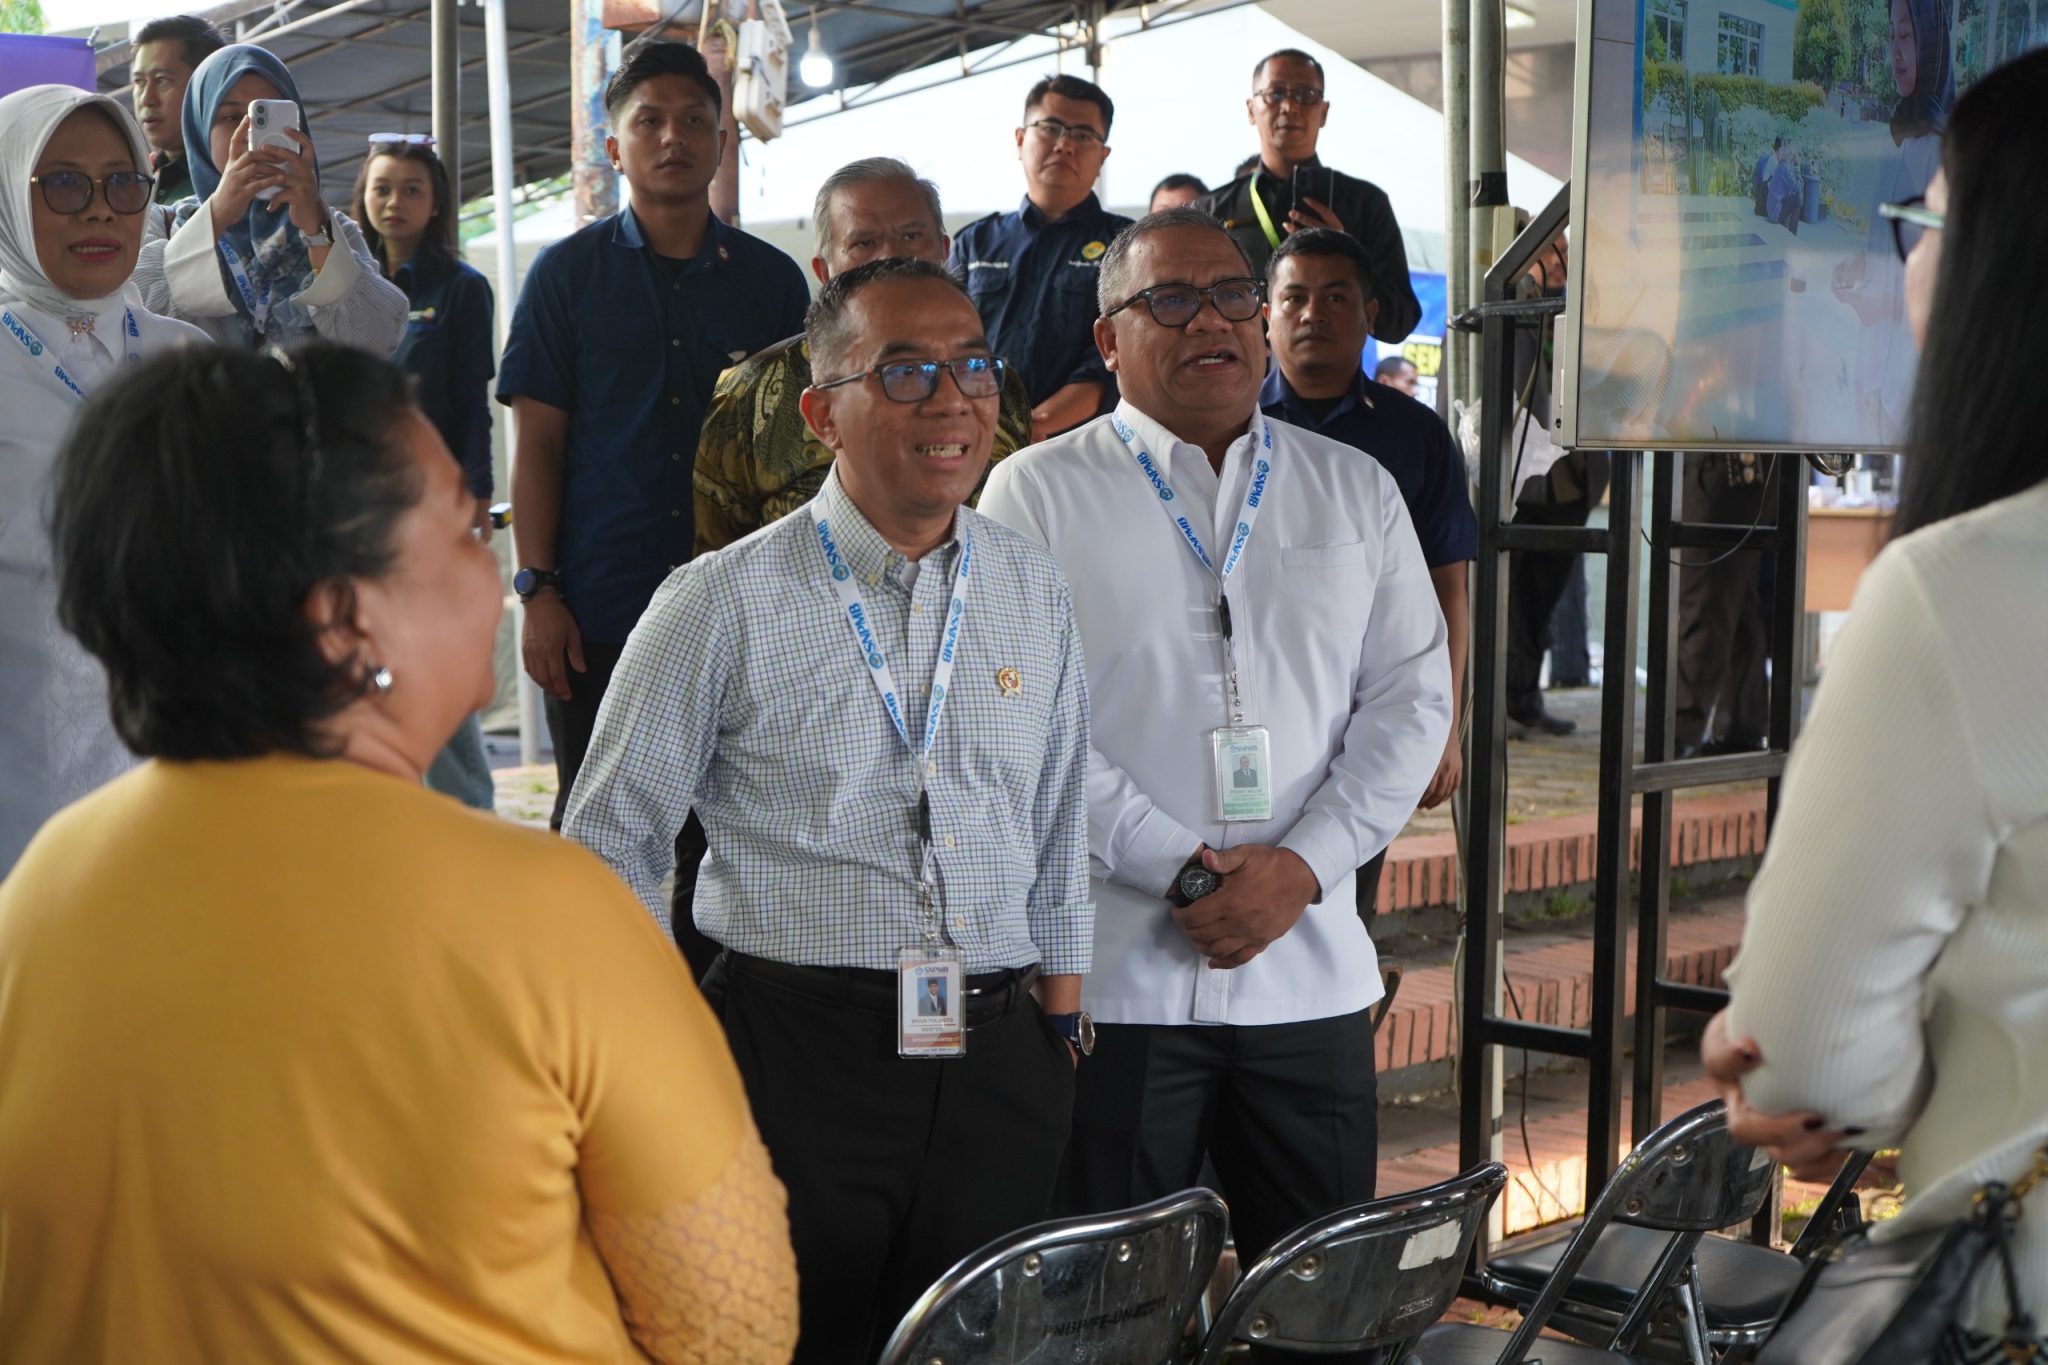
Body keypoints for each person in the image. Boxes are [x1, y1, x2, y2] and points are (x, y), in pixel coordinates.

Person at [0, 340, 798, 1364]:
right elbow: (731, 1329)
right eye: (469, 531)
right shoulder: (545, 912)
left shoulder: (41, 893)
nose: (496, 571)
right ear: (344, 621)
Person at [565, 256, 1091, 1365]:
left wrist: (1058, 1019)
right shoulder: (718, 600)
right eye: (904, 372)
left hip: (999, 1056)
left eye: (971, 365)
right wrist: (676, 1045)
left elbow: (1057, 813)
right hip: (794, 1055)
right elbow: (608, 840)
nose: (950, 400)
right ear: (821, 414)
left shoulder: (1028, 584)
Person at [976, 211, 1450, 1363]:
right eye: (1171, 301)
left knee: (1326, 1307)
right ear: (1107, 337)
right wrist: (1183, 869)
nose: (1214, 323)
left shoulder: (1353, 487)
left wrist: (1301, 867)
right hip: (1123, 978)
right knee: (1113, 1316)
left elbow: (1412, 701)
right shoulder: (1032, 497)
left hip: (1309, 971)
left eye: (1233, 295)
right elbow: (1021, 719)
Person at [1703, 49, 2048, 1362]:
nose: (1911, 260)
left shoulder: (1964, 593)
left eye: (1928, 221)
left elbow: (1805, 1061)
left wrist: (1839, 1079)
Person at [497, 37, 808, 852]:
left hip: (739, 613)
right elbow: (537, 446)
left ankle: (705, 990)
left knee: (730, 841)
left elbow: (795, 464)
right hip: (598, 607)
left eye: (694, 120)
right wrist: (537, 592)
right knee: (599, 830)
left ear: (721, 140)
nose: (673, 138)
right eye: (650, 121)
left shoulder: (774, 284)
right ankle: (588, 987)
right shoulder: (565, 277)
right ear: (614, 147)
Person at [0, 86, 207, 878]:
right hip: (23, 790)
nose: (99, 211)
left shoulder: (189, 362)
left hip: (181, 778)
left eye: (122, 183)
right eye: (62, 183)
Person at [1259, 228, 1474, 922]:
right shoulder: (1228, 425)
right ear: (1266, 311)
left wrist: (1447, 726)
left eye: (1334, 297)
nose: (1311, 313)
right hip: (1252, 711)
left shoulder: (1415, 436)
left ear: (1371, 312)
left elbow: (1451, 590)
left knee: (1345, 906)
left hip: (1372, 714)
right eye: (1293, 297)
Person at [693, 156, 1034, 557]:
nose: (890, 257)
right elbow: (720, 550)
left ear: (944, 250)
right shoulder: (749, 392)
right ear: (824, 269)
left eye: (911, 237)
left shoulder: (992, 384)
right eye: (864, 242)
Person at [351, 135, 499, 812]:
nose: (395, 202)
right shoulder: (341, 282)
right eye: (383, 187)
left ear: (436, 202)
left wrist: (477, 492)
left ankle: (469, 813)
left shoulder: (462, 289)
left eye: (412, 189)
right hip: (350, 510)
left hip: (430, 510)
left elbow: (472, 402)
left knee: (434, 655)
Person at [131, 44, 406, 355]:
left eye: (270, 118)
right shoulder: (161, 225)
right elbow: (134, 325)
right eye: (232, 117)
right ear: (199, 127)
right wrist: (216, 216)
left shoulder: (332, 229)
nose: (250, 137)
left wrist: (317, 231)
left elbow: (378, 340)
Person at [949, 73, 1132, 442]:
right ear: (1020, 139)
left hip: (1082, 448)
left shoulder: (1128, 245)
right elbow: (945, 343)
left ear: (1103, 156)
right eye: (1050, 128)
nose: (1065, 145)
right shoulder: (975, 243)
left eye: (1083, 135)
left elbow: (1113, 357)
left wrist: (1038, 426)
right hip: (973, 438)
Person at [1192, 49, 1421, 342]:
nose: (1289, 105)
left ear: (1323, 112)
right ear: (1251, 109)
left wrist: (1346, 255)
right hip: (1237, 380)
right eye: (1275, 93)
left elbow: (1398, 322)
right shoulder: (1211, 210)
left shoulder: (1365, 202)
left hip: (1332, 381)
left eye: (1305, 94)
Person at [1832, 0, 1955, 441]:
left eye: (1907, 36)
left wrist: (1879, 308)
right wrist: (1860, 265)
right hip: (1873, 386)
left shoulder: (1948, 155)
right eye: (1891, 36)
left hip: (1912, 400)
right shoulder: (1901, 136)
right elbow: (1895, 246)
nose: (1896, 52)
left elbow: (1948, 290)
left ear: (1932, 43)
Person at [1673, 453, 1775, 758]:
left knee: (1705, 595)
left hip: (1724, 456)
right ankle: (1742, 724)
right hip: (1735, 458)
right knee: (1734, 596)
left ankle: (1681, 730)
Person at [128, 14, 224, 206]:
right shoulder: (135, 182)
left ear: (206, 86)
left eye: (161, 80)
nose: (147, 99)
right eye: (139, 82)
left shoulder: (228, 182)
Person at [1752, 135, 1781, 218]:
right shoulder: (1774, 161)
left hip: (1761, 190)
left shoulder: (1770, 156)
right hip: (1765, 193)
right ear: (1780, 150)